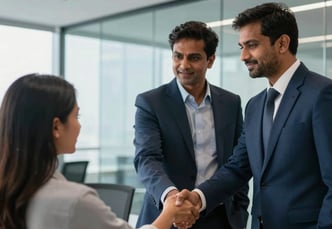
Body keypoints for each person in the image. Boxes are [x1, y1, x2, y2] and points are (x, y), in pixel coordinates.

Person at [176, 3, 332, 229]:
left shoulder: (324, 96)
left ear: (282, 43)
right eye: (241, 46)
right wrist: (198, 197)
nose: (244, 56)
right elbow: (238, 167)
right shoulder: (255, 106)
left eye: (252, 45)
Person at [0, 73, 198, 229]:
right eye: (77, 116)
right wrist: (170, 211)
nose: (79, 125)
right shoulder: (75, 201)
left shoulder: (13, 188)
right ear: (56, 127)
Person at [133, 21, 249, 229]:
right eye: (178, 56)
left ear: (210, 60)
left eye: (193, 58)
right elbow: (147, 159)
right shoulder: (151, 103)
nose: (184, 65)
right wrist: (171, 198)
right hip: (168, 216)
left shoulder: (231, 103)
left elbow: (238, 162)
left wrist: (239, 212)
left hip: (220, 217)